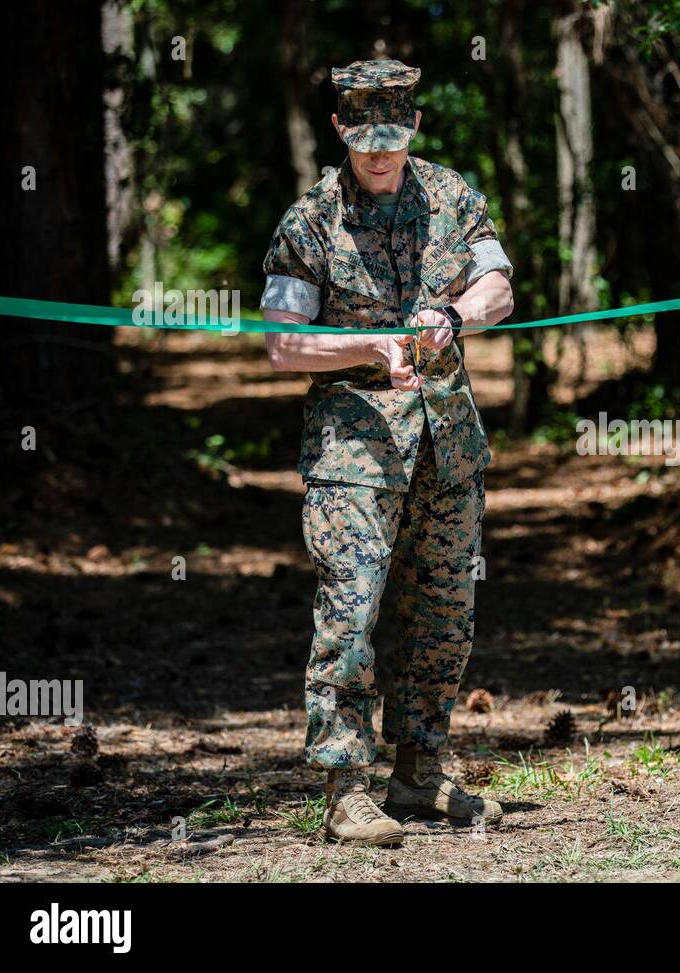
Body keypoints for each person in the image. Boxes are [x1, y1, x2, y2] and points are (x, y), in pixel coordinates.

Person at [259, 60, 515, 844]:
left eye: (393, 140)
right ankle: (345, 787)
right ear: (339, 128)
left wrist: (453, 313)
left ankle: (420, 769)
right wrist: (365, 344)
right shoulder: (309, 220)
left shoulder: (452, 195)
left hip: (447, 443)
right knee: (352, 608)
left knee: (445, 612)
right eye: (364, 140)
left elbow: (499, 285)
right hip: (355, 451)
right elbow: (281, 342)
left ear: (415, 127)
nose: (379, 155)